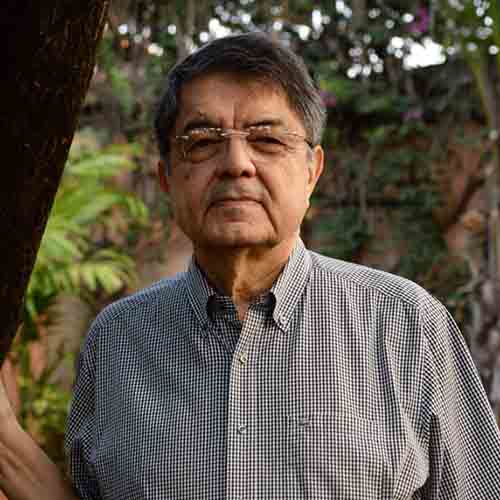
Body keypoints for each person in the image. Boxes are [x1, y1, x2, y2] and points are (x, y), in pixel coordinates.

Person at [2, 31, 500, 500]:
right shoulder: (116, 342)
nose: (236, 162)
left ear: (312, 171)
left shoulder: (408, 324)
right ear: (167, 179)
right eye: (202, 139)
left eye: (266, 139)